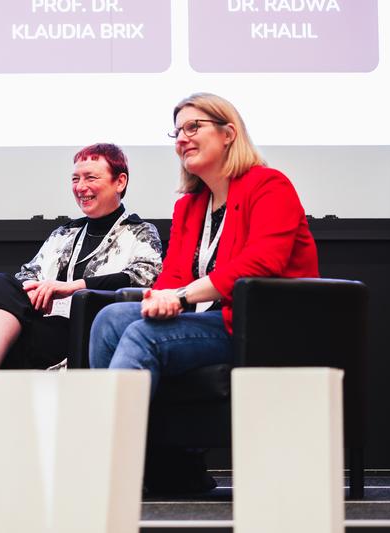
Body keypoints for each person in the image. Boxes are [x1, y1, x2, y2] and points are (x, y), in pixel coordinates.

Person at [88, 93, 319, 491]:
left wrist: (179, 299)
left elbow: (262, 262)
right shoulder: (191, 205)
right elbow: (172, 274)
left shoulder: (269, 185)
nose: (182, 138)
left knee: (144, 335)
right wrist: (159, 299)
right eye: (177, 131)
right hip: (207, 320)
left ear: (229, 133)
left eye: (194, 127)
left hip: (257, 326)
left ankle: (113, 470)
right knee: (110, 319)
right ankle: (162, 463)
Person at [0, 143, 163, 370]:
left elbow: (143, 277)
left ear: (120, 182)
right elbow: (28, 274)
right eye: (75, 179)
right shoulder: (64, 233)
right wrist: (36, 291)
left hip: (87, 330)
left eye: (90, 178)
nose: (81, 187)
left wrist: (72, 287)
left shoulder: (140, 232)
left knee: (2, 333)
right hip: (42, 322)